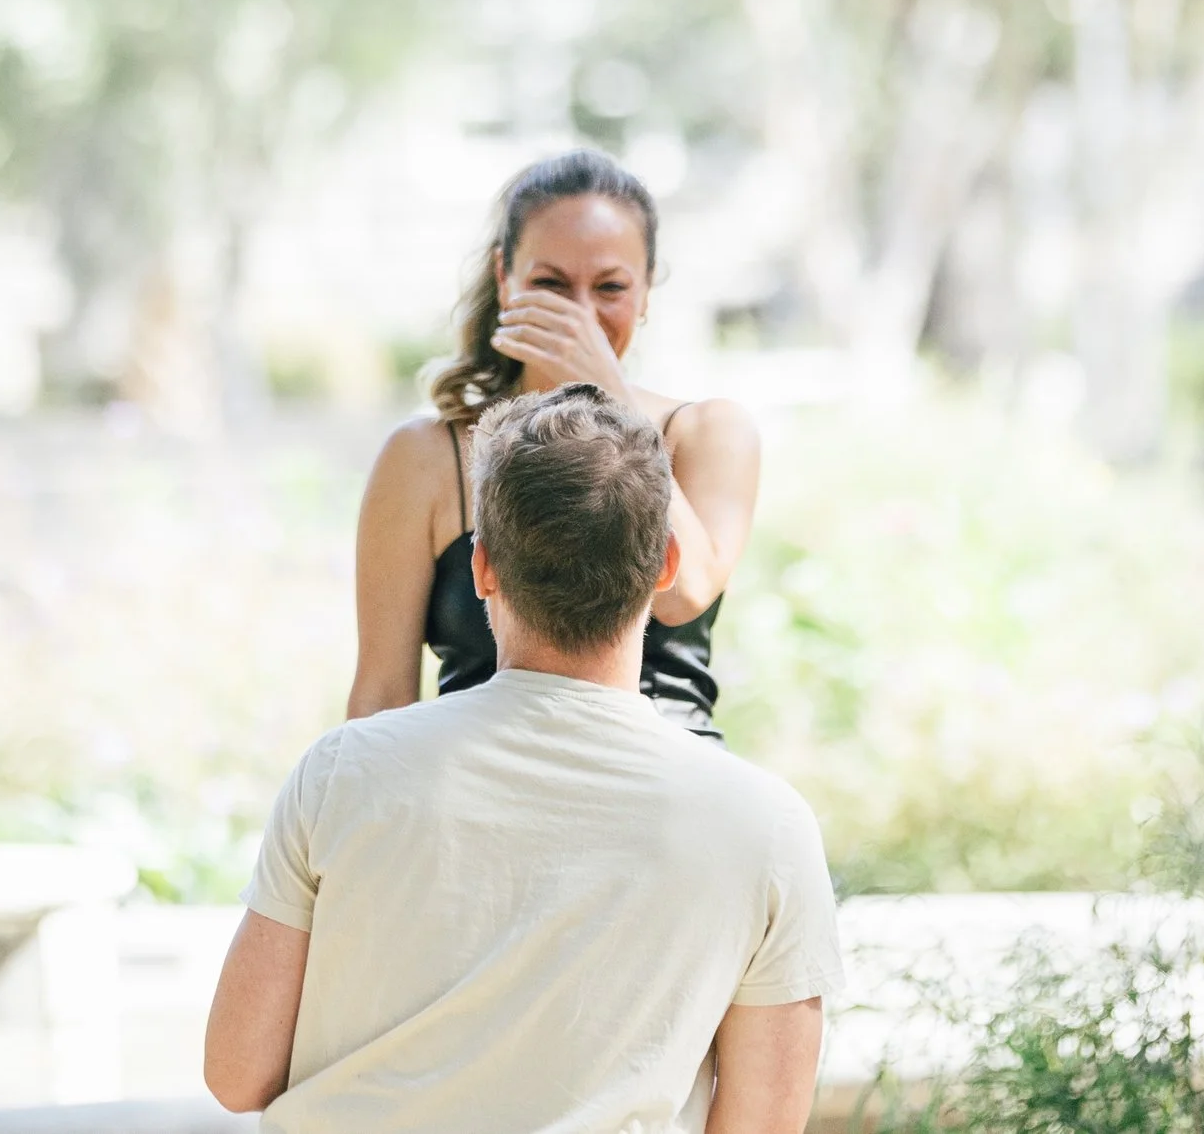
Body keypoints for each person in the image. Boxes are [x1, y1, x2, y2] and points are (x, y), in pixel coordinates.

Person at [207, 384, 841, 1133]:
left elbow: (236, 1072)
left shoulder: (342, 771)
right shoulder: (767, 829)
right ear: (666, 562)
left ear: (482, 568)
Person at [349, 149, 760, 737]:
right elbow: (381, 694)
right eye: (551, 284)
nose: (580, 316)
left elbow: (684, 594)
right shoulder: (425, 456)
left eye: (610, 287)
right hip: (480, 789)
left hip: (667, 789)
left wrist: (607, 390)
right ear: (504, 280)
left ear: (646, 292)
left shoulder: (708, 432)